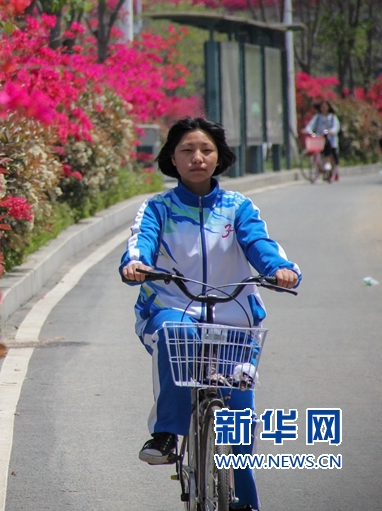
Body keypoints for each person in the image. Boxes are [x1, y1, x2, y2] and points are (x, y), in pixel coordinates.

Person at [118, 117, 301, 511]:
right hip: (172, 310)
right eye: (187, 150)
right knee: (176, 334)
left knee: (240, 422)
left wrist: (279, 270)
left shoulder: (238, 208)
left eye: (206, 150)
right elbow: (141, 244)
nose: (197, 157)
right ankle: (167, 434)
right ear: (172, 158)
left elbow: (261, 244)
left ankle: (245, 504)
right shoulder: (157, 208)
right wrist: (135, 265)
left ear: (219, 158)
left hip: (234, 319)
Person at [304, 99, 341, 181]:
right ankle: (320, 168)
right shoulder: (317, 117)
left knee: (332, 153)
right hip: (320, 138)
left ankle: (333, 170)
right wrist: (307, 130)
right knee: (317, 151)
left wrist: (332, 131)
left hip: (330, 139)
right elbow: (311, 125)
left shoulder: (332, 117)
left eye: (325, 106)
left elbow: (336, 127)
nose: (323, 108)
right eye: (322, 107)